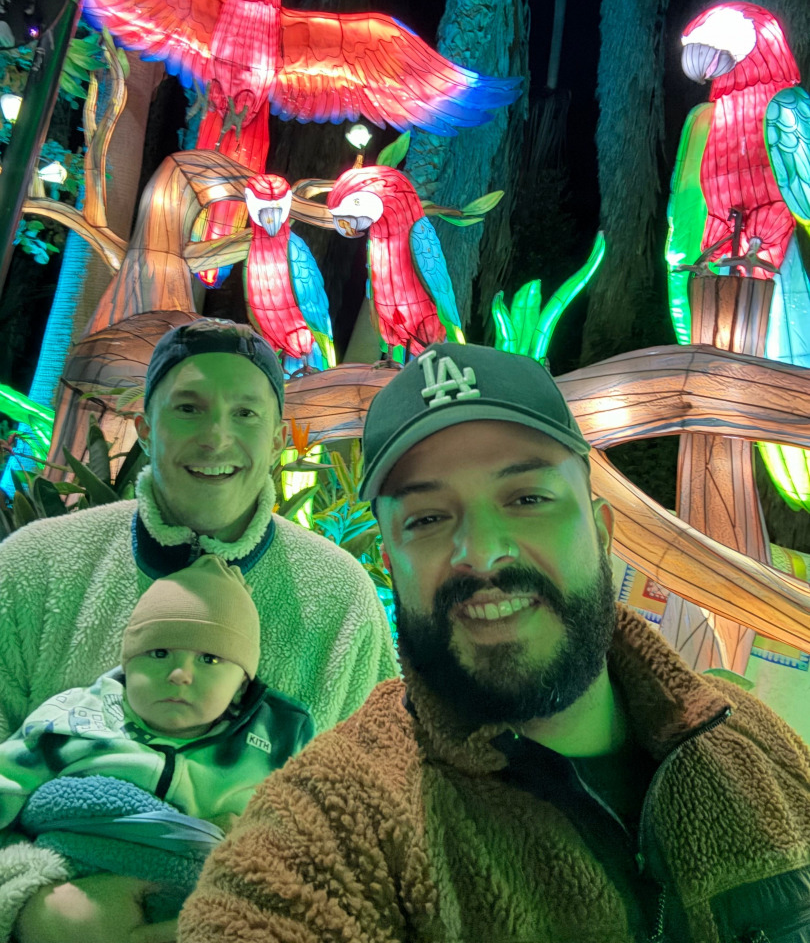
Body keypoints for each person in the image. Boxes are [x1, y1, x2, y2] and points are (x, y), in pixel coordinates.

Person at [180, 342, 810, 943]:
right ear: (391, 563)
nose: (481, 553)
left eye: (527, 498)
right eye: (428, 518)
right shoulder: (335, 821)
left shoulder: (754, 745)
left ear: (601, 530)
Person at [0, 318, 398, 943]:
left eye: (245, 413)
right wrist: (32, 906)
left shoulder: (341, 599)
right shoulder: (33, 568)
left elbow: (381, 817)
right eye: (189, 408)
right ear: (145, 427)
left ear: (277, 439)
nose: (216, 437)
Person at [1, 554, 313, 941]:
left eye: (210, 659)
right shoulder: (75, 721)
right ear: (129, 664)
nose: (180, 674)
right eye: (159, 653)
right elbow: (7, 779)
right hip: (86, 865)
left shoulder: (277, 741)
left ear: (241, 687)